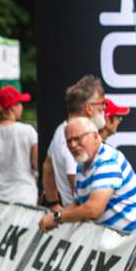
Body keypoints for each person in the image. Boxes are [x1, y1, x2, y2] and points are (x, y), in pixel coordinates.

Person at [39, 116, 136, 240]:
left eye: (78, 139)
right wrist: (56, 216)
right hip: (132, 241)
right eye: (69, 141)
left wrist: (58, 218)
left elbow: (93, 210)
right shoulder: (81, 165)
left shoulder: (107, 161)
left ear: (95, 136)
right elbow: (79, 204)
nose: (73, 145)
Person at [42, 75, 105, 207]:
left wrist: (53, 203)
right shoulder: (76, 138)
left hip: (75, 212)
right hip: (83, 216)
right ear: (89, 108)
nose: (104, 109)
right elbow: (76, 185)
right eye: (102, 104)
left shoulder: (61, 130)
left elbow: (47, 167)